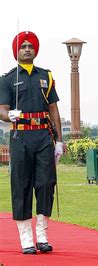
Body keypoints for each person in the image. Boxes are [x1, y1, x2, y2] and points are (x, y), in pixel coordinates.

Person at [0, 31, 63, 254]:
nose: (27, 49)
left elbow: (53, 109)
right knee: (22, 185)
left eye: (30, 46)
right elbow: (2, 110)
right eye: (23, 46)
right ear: (16, 51)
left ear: (35, 50)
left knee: (46, 184)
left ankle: (43, 234)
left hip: (43, 136)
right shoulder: (7, 79)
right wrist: (9, 116)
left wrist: (59, 141)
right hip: (21, 136)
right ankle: (26, 237)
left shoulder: (45, 76)